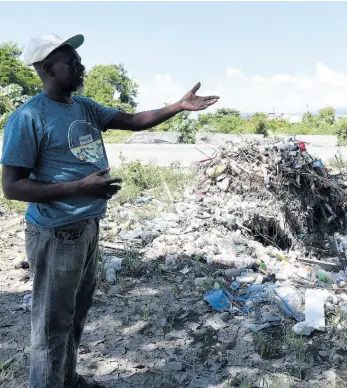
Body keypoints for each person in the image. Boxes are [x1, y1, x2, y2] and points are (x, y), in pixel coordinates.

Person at [0, 33, 219, 388]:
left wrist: (178, 107)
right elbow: (11, 187)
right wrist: (80, 187)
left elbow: (133, 121)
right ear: (47, 68)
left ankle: (66, 378)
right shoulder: (28, 118)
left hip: (87, 227)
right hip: (56, 233)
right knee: (51, 323)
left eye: (79, 60)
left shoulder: (83, 106)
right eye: (72, 62)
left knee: (76, 313)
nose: (80, 66)